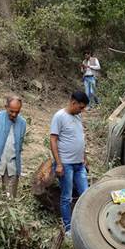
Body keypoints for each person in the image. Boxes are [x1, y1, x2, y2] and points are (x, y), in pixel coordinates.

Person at [50, 91, 90, 235]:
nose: (82, 110)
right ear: (73, 103)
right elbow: (53, 140)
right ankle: (68, 228)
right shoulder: (59, 117)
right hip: (66, 164)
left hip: (79, 164)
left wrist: (84, 157)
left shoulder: (77, 116)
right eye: (80, 107)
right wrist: (58, 164)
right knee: (66, 196)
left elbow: (80, 138)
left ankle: (85, 224)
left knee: (86, 194)